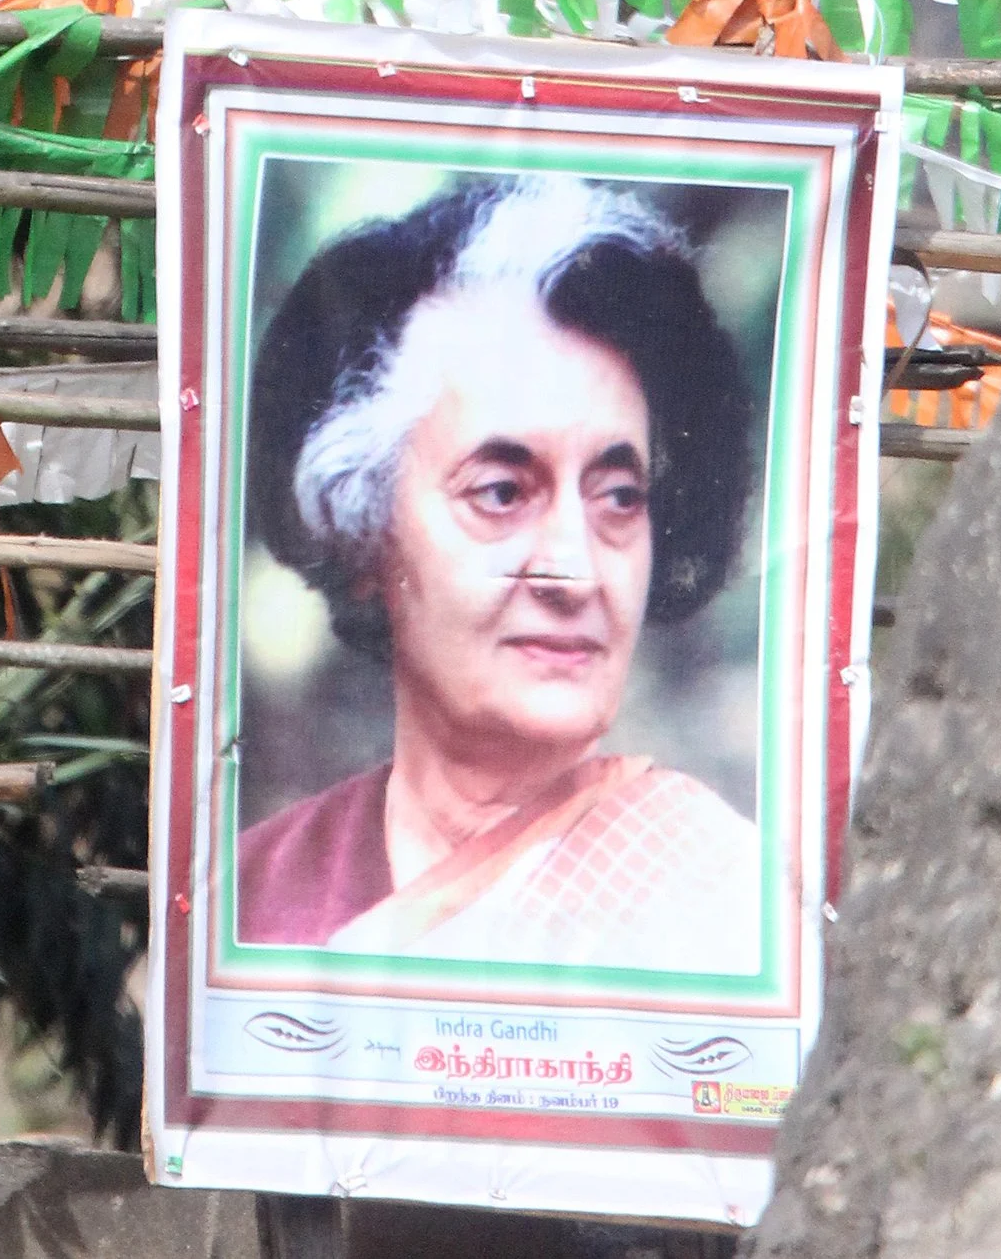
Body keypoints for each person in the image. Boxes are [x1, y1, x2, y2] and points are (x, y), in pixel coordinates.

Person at [235, 172, 763, 968]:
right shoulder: (255, 896)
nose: (574, 573)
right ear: (364, 527)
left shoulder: (728, 911)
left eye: (620, 496)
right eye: (503, 492)